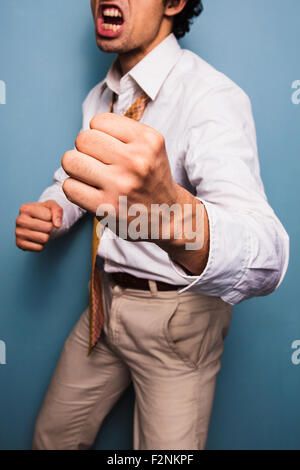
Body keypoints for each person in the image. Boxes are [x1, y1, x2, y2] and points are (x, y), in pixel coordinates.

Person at [15, 0, 289, 450]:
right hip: (102, 305)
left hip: (178, 321)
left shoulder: (211, 96)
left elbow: (270, 254)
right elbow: (78, 178)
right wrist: (55, 212)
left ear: (174, 3)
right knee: (51, 439)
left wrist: (169, 213)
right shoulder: (101, 97)